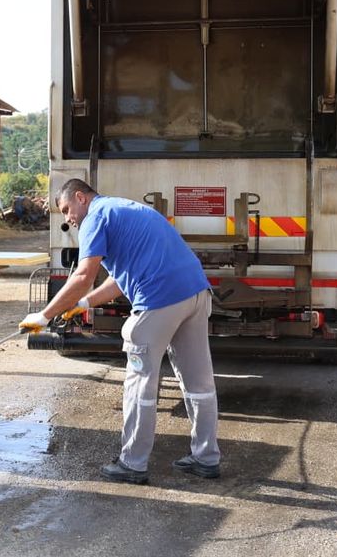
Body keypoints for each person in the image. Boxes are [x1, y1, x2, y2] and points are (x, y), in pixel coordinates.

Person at [20, 179, 220, 485]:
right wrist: (82, 303)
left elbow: (84, 274)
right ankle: (206, 458)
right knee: (198, 381)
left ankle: (133, 463)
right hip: (196, 293)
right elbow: (117, 280)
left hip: (160, 298)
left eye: (66, 209)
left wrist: (45, 315)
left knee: (140, 383)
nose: (68, 219)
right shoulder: (124, 209)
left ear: (80, 197)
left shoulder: (94, 218)